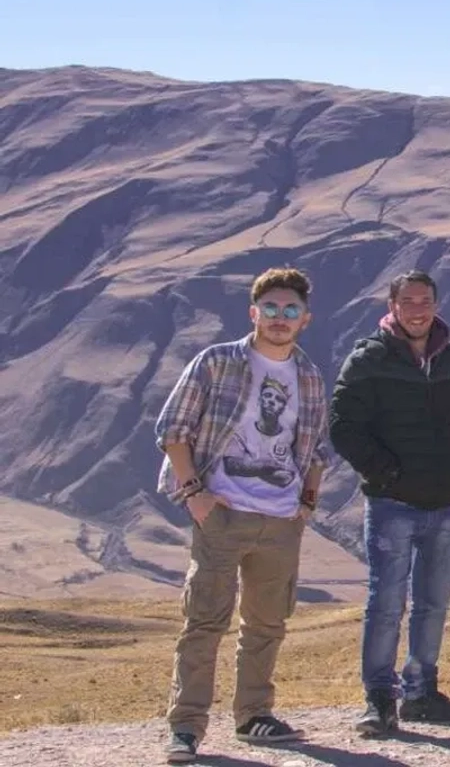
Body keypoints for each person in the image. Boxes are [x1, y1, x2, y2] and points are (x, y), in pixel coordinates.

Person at [153, 267, 331, 764]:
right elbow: (173, 429)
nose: (279, 317)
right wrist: (195, 494)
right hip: (222, 513)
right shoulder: (217, 362)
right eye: (270, 308)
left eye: (290, 309)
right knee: (204, 622)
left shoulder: (309, 376)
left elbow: (316, 448)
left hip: (281, 518)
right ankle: (186, 727)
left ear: (305, 318)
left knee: (267, 623)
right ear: (253, 313)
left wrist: (306, 504)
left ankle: (254, 715)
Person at [330, 269, 450, 736]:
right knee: (386, 603)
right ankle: (380, 698)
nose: (417, 310)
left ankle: (421, 692)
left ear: (436, 305)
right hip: (392, 504)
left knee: (434, 603)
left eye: (425, 301)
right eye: (408, 302)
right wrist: (385, 472)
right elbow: (343, 425)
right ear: (393, 307)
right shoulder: (369, 361)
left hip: (447, 503)